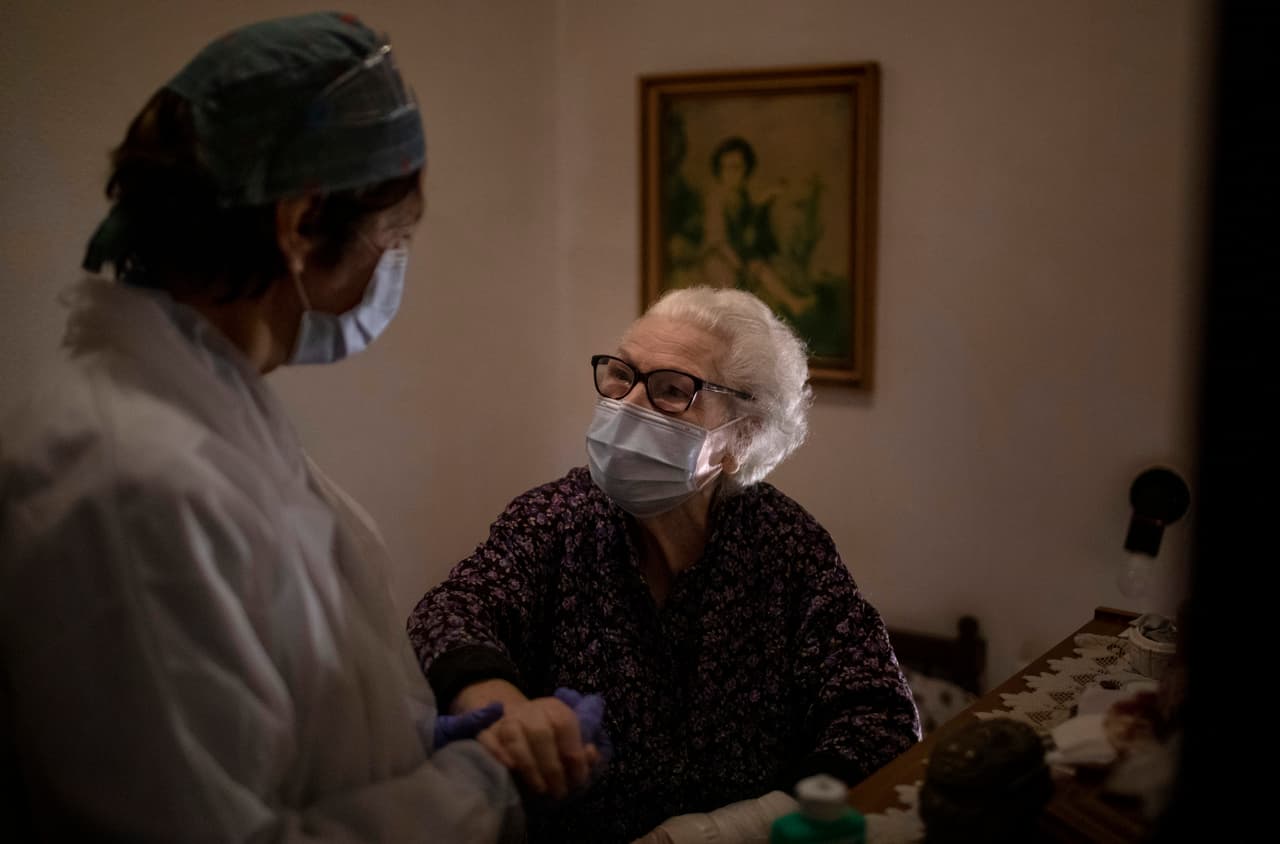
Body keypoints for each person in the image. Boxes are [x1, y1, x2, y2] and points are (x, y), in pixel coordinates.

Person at [0, 13, 524, 841]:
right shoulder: (129, 485)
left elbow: (281, 718)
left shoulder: (214, 413)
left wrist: (416, 743)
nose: (393, 267)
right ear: (300, 224)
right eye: (394, 236)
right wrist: (471, 790)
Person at [408, 286, 921, 842]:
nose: (625, 405)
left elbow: (881, 718)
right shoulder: (556, 518)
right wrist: (500, 703)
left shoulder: (787, 545)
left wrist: (724, 831)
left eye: (671, 391)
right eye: (621, 375)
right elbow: (450, 611)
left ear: (740, 440)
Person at [701, 136, 814, 316]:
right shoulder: (717, 199)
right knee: (739, 276)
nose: (733, 173)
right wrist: (738, 263)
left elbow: (748, 227)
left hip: (738, 254)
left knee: (759, 265)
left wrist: (764, 201)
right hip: (719, 257)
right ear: (719, 170)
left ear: (747, 169)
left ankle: (794, 302)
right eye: (727, 168)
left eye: (738, 167)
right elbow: (718, 240)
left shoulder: (741, 196)